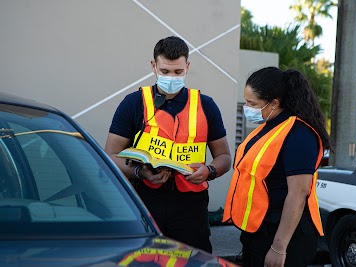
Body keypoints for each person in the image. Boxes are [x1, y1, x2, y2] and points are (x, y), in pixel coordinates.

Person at [105, 36, 231, 253]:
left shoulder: (206, 105)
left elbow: (225, 157)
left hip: (191, 205)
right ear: (153, 66)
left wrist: (209, 170)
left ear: (187, 67)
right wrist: (140, 172)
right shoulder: (133, 103)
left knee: (192, 260)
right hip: (146, 200)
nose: (171, 77)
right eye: (165, 71)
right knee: (145, 259)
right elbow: (110, 155)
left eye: (177, 72)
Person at [222, 67, 331, 267]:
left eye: (251, 103)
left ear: (274, 103)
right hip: (259, 231)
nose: (247, 108)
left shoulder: (299, 135)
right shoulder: (267, 128)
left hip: (284, 237)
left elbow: (297, 195)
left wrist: (278, 248)